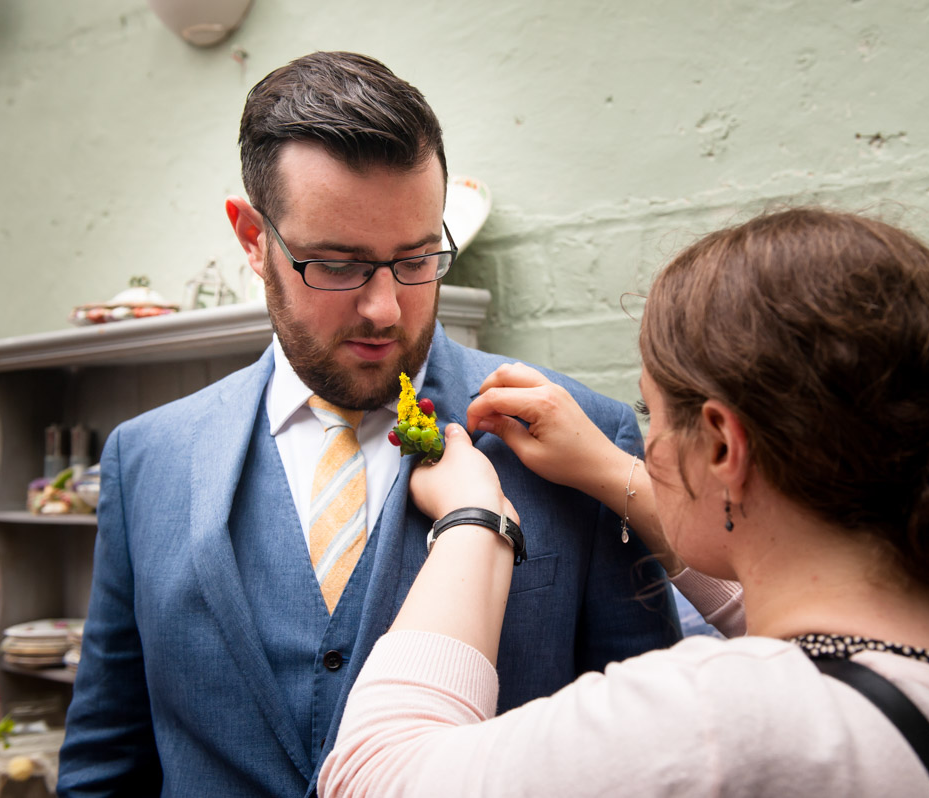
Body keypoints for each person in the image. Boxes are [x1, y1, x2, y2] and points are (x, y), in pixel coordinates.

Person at [319, 208, 929, 796]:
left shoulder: (718, 720)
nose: (642, 440)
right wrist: (612, 471)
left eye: (650, 414)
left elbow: (373, 775)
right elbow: (837, 627)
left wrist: (476, 523)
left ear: (721, 443)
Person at [57, 51, 678, 797]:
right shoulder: (146, 458)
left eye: (416, 258)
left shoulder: (587, 436)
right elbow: (105, 760)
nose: (385, 308)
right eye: (337, 264)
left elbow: (645, 756)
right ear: (253, 238)